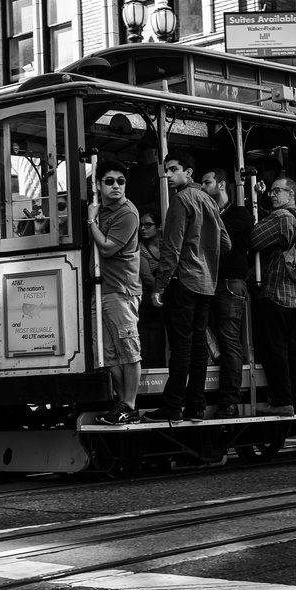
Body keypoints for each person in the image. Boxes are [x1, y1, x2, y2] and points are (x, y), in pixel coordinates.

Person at [146, 149, 229, 423]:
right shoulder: (209, 200)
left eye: (172, 169)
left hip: (182, 281)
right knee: (197, 347)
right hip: (206, 284)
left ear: (188, 172)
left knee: (181, 347)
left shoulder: (181, 200)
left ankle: (172, 408)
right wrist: (206, 250)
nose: (167, 174)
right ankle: (196, 406)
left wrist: (159, 285)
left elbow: (171, 247)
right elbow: (225, 244)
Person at [87, 159, 144, 425]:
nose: (116, 186)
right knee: (108, 355)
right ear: (99, 185)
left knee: (128, 350)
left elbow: (108, 248)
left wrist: (90, 221)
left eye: (120, 181)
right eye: (109, 181)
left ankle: (130, 404)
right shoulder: (103, 211)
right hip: (102, 290)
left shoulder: (127, 212)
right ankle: (123, 404)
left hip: (121, 290)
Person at [249, 176, 296, 416]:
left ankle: (281, 400)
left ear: (290, 195)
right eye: (270, 191)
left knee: (275, 349)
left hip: (275, 291)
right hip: (295, 293)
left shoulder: (281, 217)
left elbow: (252, 239)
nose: (272, 195)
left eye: (276, 191)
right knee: (293, 350)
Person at [200, 168, 253, 417]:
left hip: (230, 282)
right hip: (205, 280)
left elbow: (213, 232)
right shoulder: (208, 212)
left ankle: (229, 400)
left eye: (207, 183)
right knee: (197, 331)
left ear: (221, 185)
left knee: (230, 339)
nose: (202, 187)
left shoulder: (240, 213)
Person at [135, 209, 166, 366]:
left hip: (166, 295)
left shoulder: (167, 245)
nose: (143, 228)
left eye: (148, 225)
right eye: (141, 225)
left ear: (159, 227)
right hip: (149, 300)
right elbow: (147, 278)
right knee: (151, 340)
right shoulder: (141, 249)